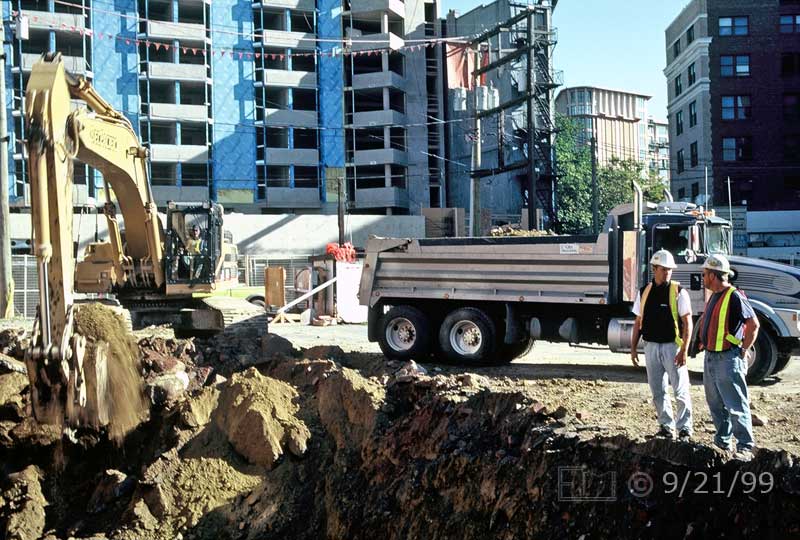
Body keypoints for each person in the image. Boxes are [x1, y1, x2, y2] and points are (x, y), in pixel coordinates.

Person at [699, 254, 759, 461]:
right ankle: (722, 443)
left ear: (714, 275)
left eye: (705, 274)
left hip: (727, 358)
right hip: (711, 358)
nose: (703, 277)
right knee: (715, 403)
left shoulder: (734, 295)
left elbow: (753, 324)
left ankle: (745, 446)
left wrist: (743, 350)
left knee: (735, 403)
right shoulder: (715, 295)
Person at [631, 249, 694, 440]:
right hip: (651, 346)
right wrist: (633, 348)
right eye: (663, 269)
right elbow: (638, 321)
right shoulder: (644, 292)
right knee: (658, 390)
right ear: (654, 269)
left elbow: (687, 321)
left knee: (680, 390)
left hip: (672, 347)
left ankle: (685, 428)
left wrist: (684, 349)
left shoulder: (678, 292)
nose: (667, 272)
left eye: (669, 269)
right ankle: (666, 426)